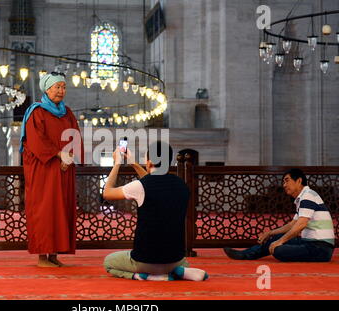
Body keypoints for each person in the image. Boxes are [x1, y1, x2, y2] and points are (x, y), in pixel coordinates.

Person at [102, 141, 208, 281]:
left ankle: (143, 276)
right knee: (180, 262)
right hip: (176, 259)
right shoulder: (181, 185)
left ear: (150, 161)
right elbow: (153, 182)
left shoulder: (140, 186)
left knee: (108, 262)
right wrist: (133, 163)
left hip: (145, 260)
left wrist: (117, 163)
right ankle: (179, 272)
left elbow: (107, 193)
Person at [20, 72, 83, 267]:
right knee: (44, 210)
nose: (61, 91)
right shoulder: (36, 112)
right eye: (57, 87)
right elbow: (35, 140)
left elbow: (75, 136)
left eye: (64, 87)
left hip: (64, 170)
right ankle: (41, 256)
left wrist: (69, 157)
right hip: (44, 169)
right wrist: (58, 154)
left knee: (61, 210)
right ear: (47, 89)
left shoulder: (68, 113)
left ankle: (54, 254)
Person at [224, 168, 335, 262]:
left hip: (321, 248)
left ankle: (246, 255)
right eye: (283, 182)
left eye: (287, 181)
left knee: (278, 250)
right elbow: (293, 224)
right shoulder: (303, 197)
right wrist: (270, 233)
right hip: (310, 243)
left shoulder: (308, 196)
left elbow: (301, 225)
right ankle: (245, 255)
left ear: (299, 180)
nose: (284, 185)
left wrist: (280, 241)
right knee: (275, 239)